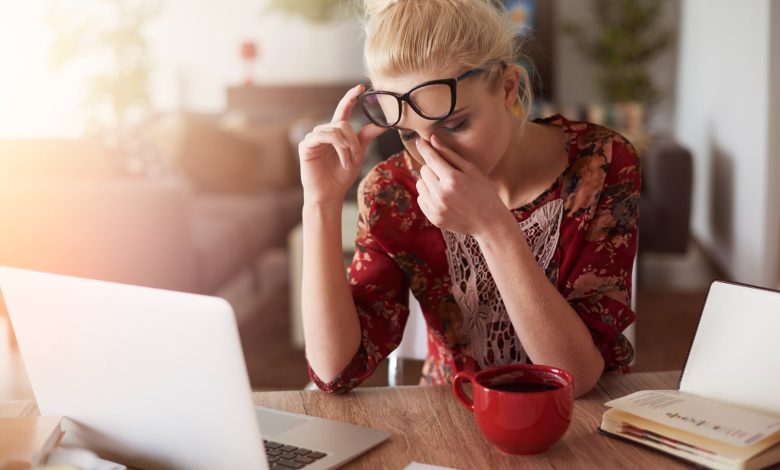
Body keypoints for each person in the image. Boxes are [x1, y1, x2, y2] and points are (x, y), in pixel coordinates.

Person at [297, 0, 639, 398]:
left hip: (578, 424)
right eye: (409, 135)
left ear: (509, 87)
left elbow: (576, 377)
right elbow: (335, 372)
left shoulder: (601, 162)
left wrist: (493, 228)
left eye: (456, 124)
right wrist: (320, 203)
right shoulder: (393, 192)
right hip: (453, 414)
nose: (433, 154)